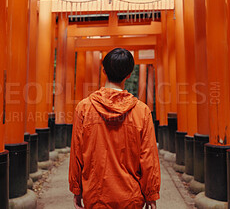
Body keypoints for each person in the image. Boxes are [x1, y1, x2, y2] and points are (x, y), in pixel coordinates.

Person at [68, 48, 161, 209]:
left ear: (103, 70)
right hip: (131, 196)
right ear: (129, 74)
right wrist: (151, 195)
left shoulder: (84, 108)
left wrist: (77, 189)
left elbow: (77, 153)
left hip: (95, 195)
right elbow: (148, 158)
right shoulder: (142, 111)